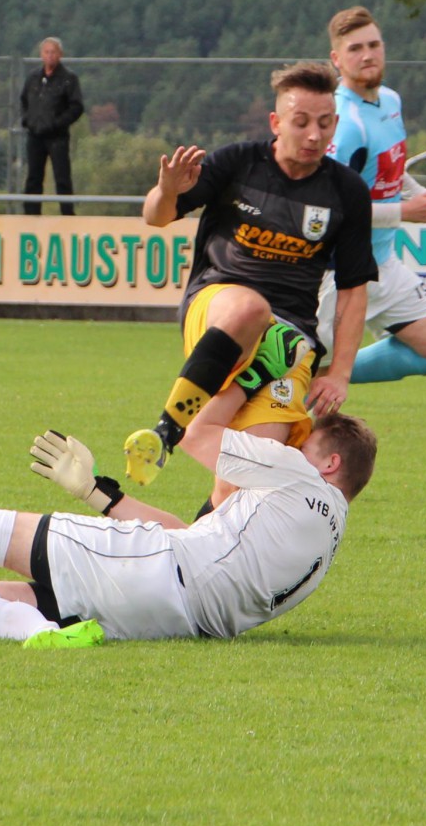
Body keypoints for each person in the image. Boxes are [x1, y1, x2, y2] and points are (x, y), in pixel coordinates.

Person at [0, 411, 377, 647]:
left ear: (327, 464)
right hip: (172, 616)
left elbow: (198, 434)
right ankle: (44, 637)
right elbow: (188, 538)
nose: (293, 446)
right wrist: (96, 493)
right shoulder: (328, 535)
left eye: (305, 444)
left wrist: (255, 384)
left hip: (159, 574)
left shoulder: (298, 476)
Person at [122, 61, 377, 502]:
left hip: (292, 340)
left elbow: (354, 291)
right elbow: (155, 217)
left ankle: (191, 547)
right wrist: (167, 190)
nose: (313, 135)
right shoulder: (237, 163)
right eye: (301, 122)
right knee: (251, 309)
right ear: (276, 122)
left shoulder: (347, 191)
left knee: (243, 485)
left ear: (335, 124)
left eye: (324, 123)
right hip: (221, 310)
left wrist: (339, 373)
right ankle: (166, 430)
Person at [319, 6, 426, 383]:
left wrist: (420, 193)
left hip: (381, 260)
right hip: (337, 271)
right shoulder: (343, 123)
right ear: (336, 59)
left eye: (374, 45)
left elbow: (390, 164)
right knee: (296, 366)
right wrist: (404, 211)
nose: (367, 55)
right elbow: (333, 208)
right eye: (355, 48)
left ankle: (325, 380)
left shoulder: (391, 101)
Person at [19, 37, 84, 216]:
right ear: (41, 54)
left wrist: (57, 124)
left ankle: (67, 216)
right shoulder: (33, 78)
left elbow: (76, 107)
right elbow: (24, 101)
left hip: (57, 137)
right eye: (46, 52)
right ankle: (31, 216)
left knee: (62, 177)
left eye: (53, 52)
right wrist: (27, 120)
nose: (50, 56)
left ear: (60, 54)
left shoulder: (68, 79)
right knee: (33, 177)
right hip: (35, 135)